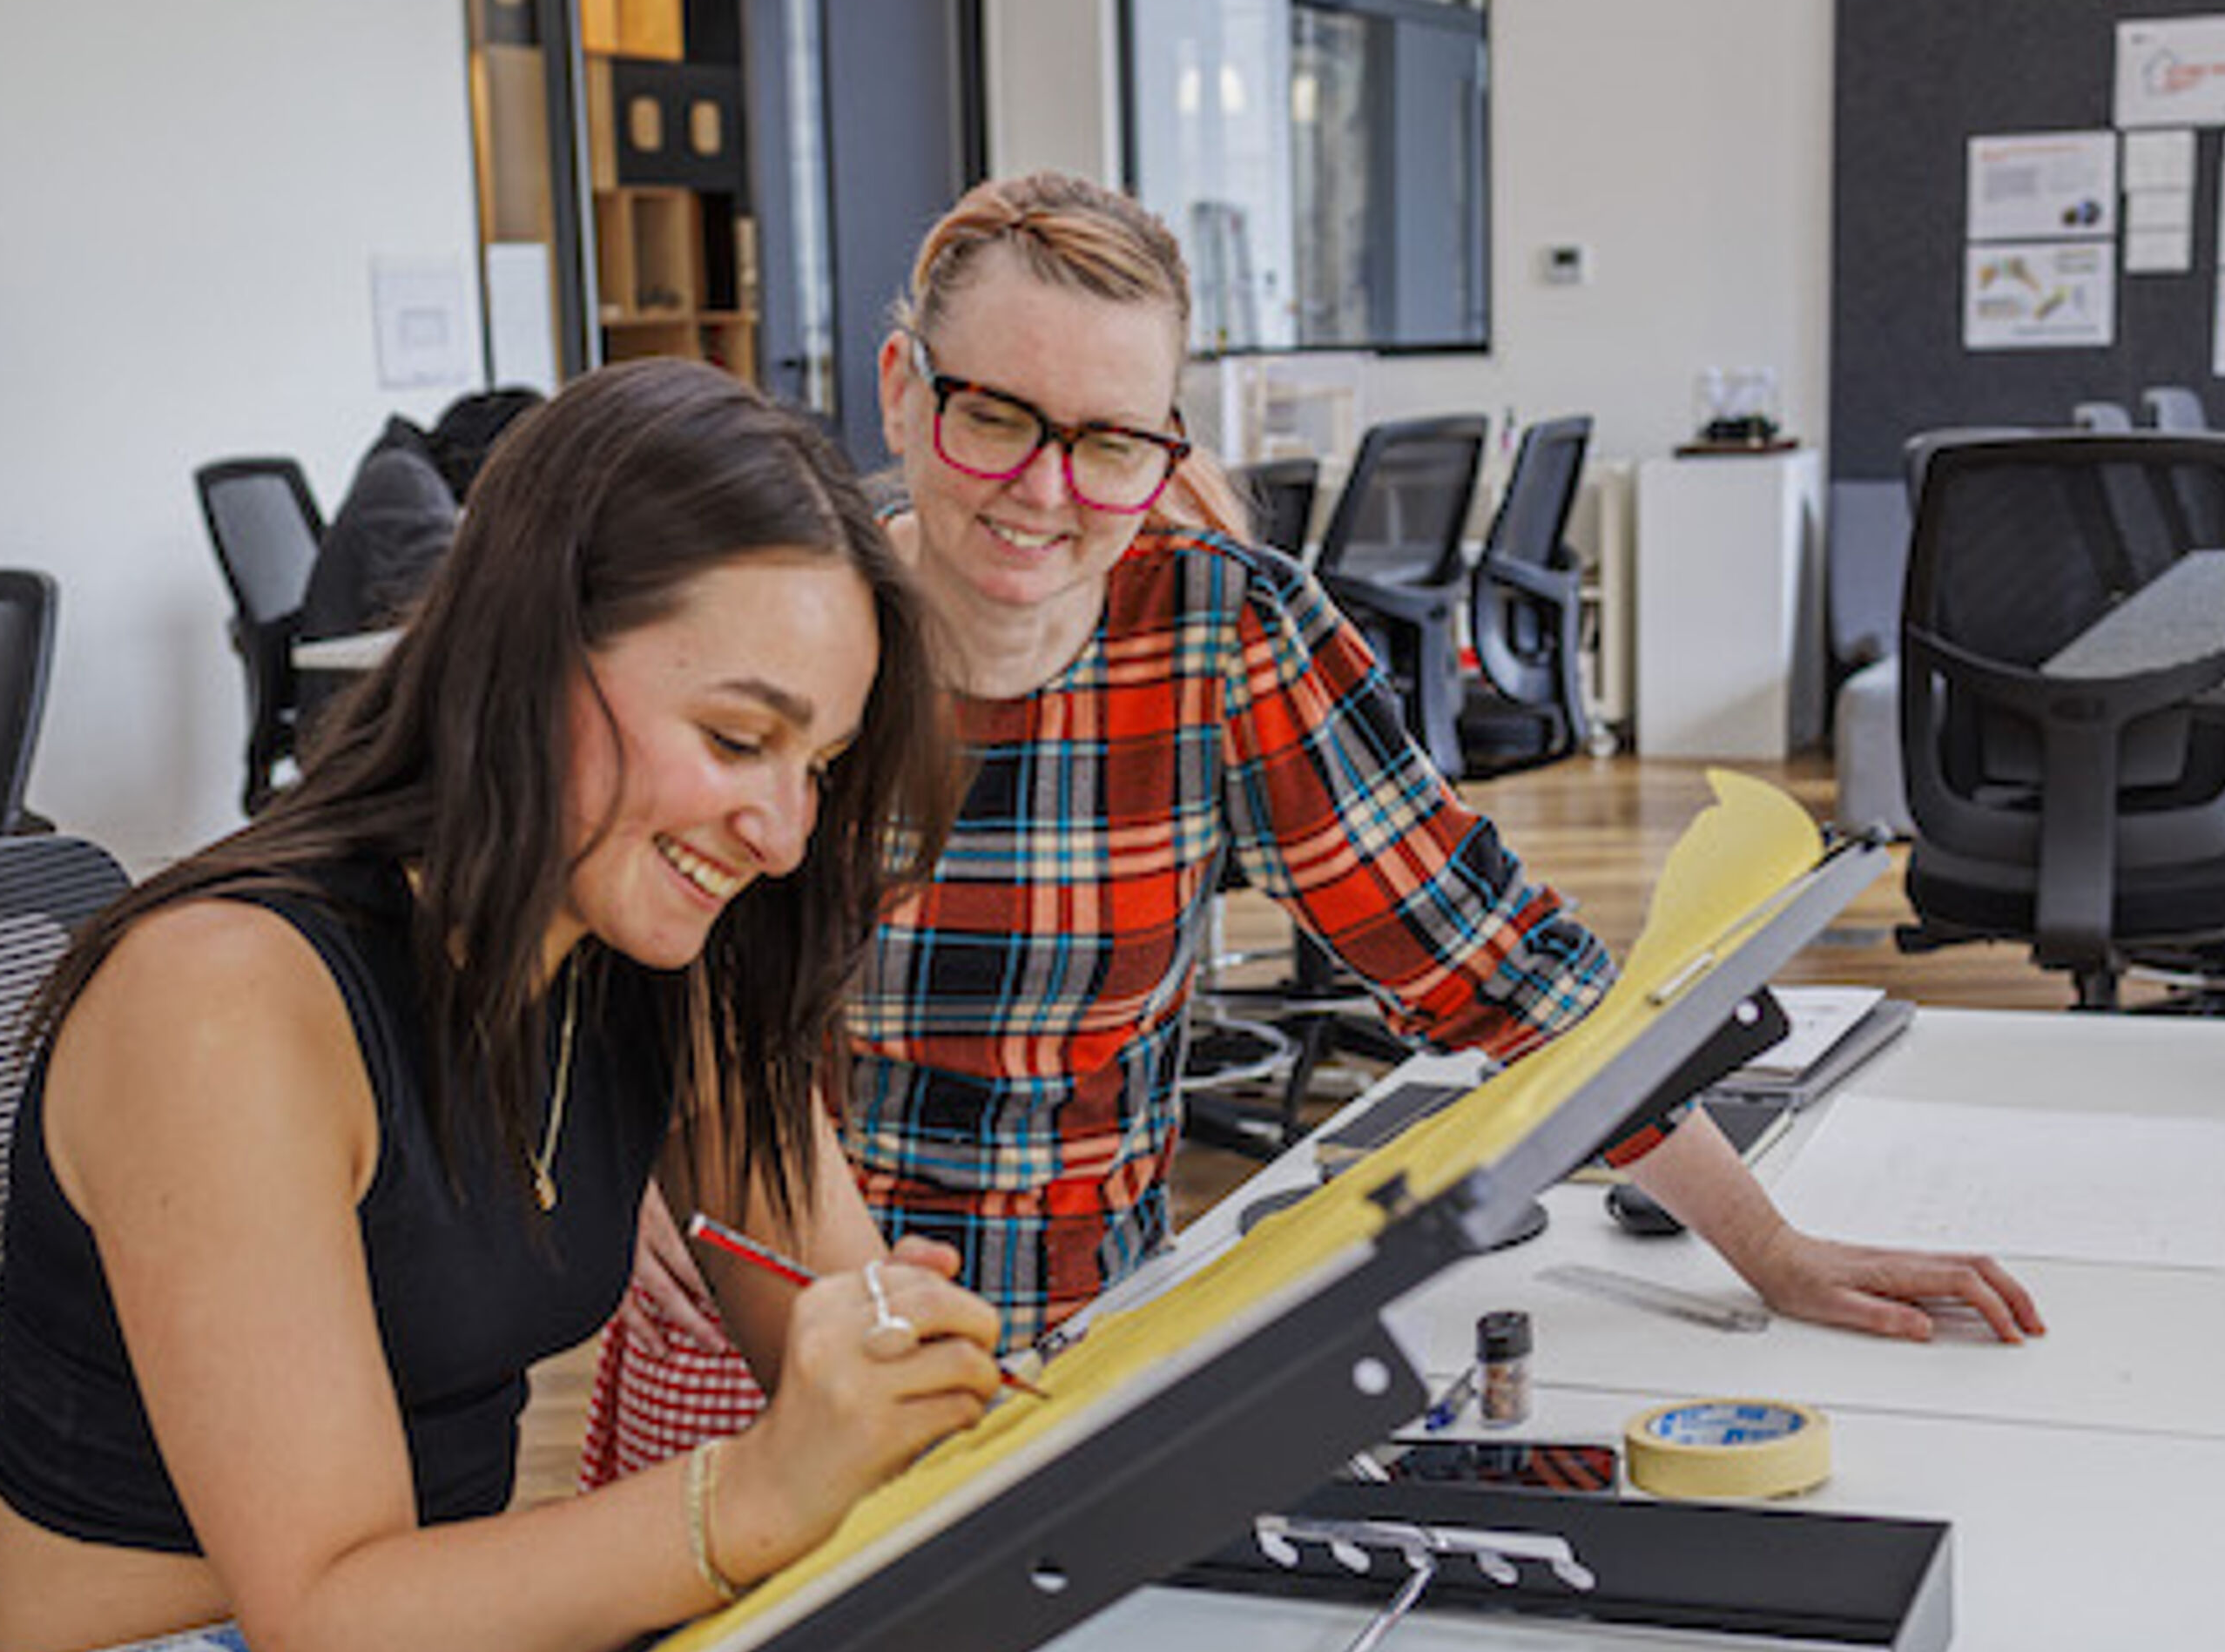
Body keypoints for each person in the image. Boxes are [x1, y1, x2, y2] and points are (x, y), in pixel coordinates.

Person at [583, 172, 2037, 1485]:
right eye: (995, 416)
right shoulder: (786, 626)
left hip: (1075, 1344)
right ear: (905, 388)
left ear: (1165, 447)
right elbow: (595, 943)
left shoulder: (1220, 630)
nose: (1045, 491)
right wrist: (637, 1143)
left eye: (1108, 443)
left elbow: (1503, 971)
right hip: (754, 1350)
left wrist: (1768, 1248)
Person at [0, 360, 1003, 1652]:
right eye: (738, 739)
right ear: (524, 660)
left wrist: (936, 1396)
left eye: (811, 763)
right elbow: (345, 1651)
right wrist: (758, 1488)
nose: (782, 825)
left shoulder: (651, 946)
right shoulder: (227, 1002)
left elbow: (849, 1323)